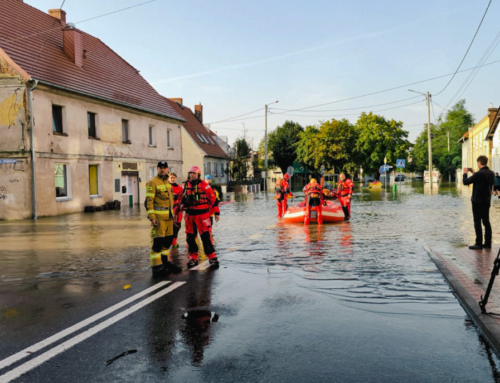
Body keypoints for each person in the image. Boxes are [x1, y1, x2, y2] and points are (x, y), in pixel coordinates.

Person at [177, 166, 219, 267]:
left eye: (194, 173)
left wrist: (216, 212)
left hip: (202, 215)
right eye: (190, 173)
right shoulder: (184, 186)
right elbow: (178, 200)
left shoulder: (205, 186)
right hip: (190, 215)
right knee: (190, 238)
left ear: (198, 175)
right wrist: (178, 210)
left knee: (206, 237)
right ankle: (193, 257)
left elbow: (213, 200)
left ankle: (212, 256)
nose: (191, 175)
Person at [145, 161, 182, 277]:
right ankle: (156, 267)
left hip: (169, 218)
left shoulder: (167, 182)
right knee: (157, 242)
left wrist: (175, 216)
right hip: (159, 219)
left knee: (167, 241)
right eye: (160, 168)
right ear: (157, 169)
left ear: (167, 169)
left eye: (164, 168)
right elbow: (149, 202)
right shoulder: (152, 182)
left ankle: (164, 263)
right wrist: (152, 217)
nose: (162, 170)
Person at [463, 156, 495, 250]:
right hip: (487, 200)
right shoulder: (491, 173)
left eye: (477, 163)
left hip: (477, 201)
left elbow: (466, 182)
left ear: (479, 163)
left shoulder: (479, 174)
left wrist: (465, 173)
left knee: (477, 222)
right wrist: (474, 172)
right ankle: (488, 243)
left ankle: (479, 243)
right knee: (486, 222)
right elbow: (482, 177)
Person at [168, 172, 183, 248]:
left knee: (178, 226)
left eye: (174, 177)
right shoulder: (166, 186)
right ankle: (169, 242)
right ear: (168, 178)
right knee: (169, 227)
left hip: (178, 210)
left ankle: (174, 242)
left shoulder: (179, 187)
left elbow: (182, 197)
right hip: (169, 210)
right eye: (171, 177)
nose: (172, 179)